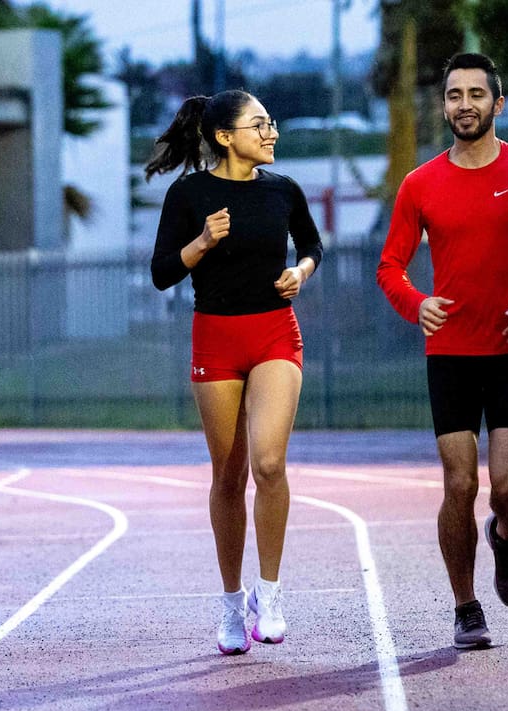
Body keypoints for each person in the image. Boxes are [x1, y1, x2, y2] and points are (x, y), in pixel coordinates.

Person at [376, 53, 508, 649]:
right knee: (459, 484)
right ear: (444, 105)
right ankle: (466, 606)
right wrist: (417, 304)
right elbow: (390, 266)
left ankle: (506, 533)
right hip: (450, 353)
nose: (462, 104)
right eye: (452, 95)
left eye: (474, 94)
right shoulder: (420, 184)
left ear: (497, 103)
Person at [147, 90, 323, 655]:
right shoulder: (189, 193)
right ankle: (231, 603)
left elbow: (313, 244)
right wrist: (201, 242)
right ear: (225, 137)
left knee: (270, 464)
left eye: (272, 123)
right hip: (216, 340)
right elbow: (160, 273)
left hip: (275, 332)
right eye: (259, 125)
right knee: (229, 475)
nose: (271, 133)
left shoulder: (283, 190)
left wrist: (301, 270)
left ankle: (268, 595)